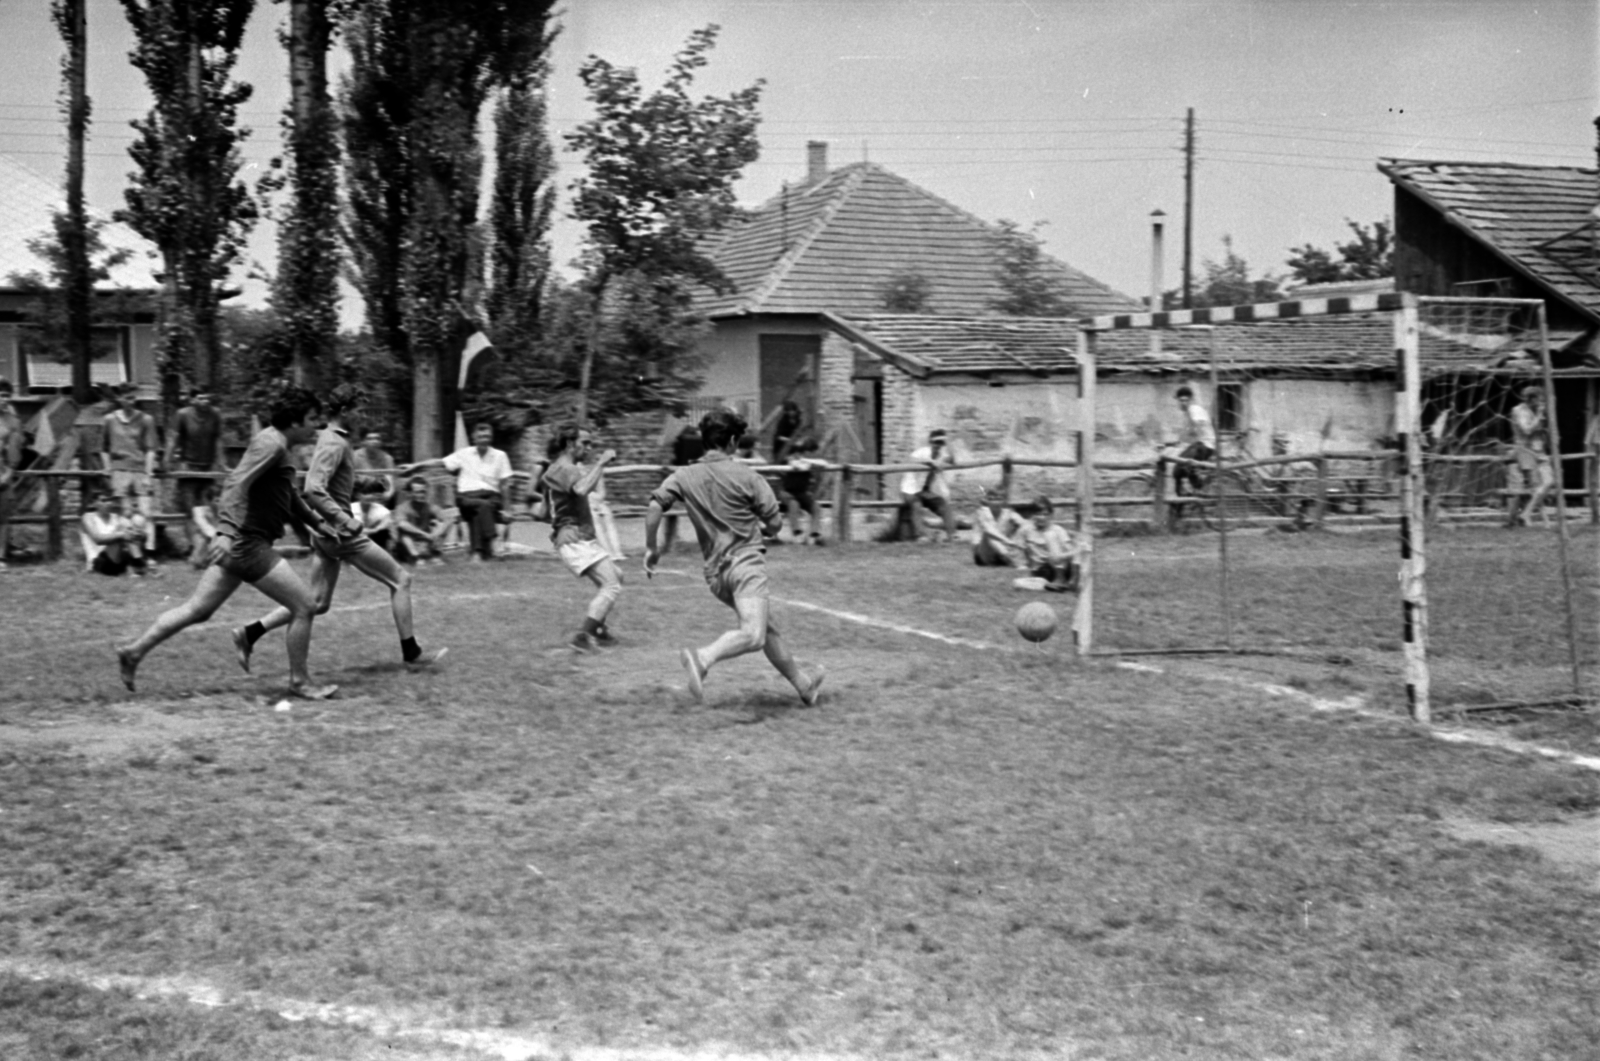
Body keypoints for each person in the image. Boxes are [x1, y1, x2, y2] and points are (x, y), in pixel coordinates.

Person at [115, 385, 339, 699]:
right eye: (312, 419)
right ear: (293, 420)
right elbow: (236, 483)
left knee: (197, 609)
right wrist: (225, 531)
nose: (317, 426)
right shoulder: (271, 444)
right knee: (304, 606)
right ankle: (300, 682)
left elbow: (288, 496)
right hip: (248, 544)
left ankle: (134, 652)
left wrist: (317, 524)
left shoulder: (280, 445)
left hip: (243, 545)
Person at [232, 383, 443, 673]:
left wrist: (368, 484)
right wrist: (345, 521)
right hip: (341, 533)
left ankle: (249, 633)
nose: (363, 417)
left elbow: (335, 483)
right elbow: (314, 489)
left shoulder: (336, 440)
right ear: (344, 411)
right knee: (401, 580)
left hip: (327, 533)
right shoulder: (334, 442)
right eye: (359, 410)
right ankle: (412, 653)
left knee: (316, 602)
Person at [644, 408, 825, 707]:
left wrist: (652, 548)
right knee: (754, 635)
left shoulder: (684, 475)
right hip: (745, 565)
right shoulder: (748, 476)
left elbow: (654, 507)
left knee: (768, 629)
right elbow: (776, 524)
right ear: (731, 442)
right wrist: (765, 524)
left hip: (716, 576)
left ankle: (804, 686)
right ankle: (702, 658)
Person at [541, 424, 624, 652]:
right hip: (575, 538)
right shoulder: (565, 469)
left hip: (576, 537)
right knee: (611, 586)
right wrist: (601, 463)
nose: (589, 447)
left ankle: (597, 630)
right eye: (585, 443)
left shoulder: (556, 470)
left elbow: (541, 512)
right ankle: (584, 636)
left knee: (616, 575)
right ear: (569, 444)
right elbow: (581, 489)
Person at [403, 423, 514, 562]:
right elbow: (440, 463)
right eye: (480, 436)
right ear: (474, 438)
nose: (484, 439)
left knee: (480, 509)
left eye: (487, 436)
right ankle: (493, 540)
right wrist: (415, 466)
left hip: (491, 497)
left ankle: (477, 553)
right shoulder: (464, 454)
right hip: (467, 497)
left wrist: (508, 510)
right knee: (482, 506)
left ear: (491, 437)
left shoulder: (500, 456)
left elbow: (505, 484)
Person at [165, 387, 228, 566]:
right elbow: (173, 438)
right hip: (188, 466)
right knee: (190, 510)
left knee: (207, 508)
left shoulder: (215, 415)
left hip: (207, 467)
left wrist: (222, 462)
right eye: (201, 398)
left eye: (208, 398)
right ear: (192, 399)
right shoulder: (182, 415)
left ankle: (207, 548)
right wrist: (167, 460)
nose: (205, 401)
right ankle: (194, 549)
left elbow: (218, 439)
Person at [102, 382, 159, 556]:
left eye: (134, 397)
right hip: (119, 470)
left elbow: (150, 449)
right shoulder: (110, 420)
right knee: (125, 513)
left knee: (146, 513)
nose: (132, 401)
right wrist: (108, 469)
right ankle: (132, 555)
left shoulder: (146, 420)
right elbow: (104, 448)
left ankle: (150, 553)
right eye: (128, 398)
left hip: (140, 470)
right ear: (119, 399)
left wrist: (148, 474)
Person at [1506, 383, 1554, 528]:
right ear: (1531, 399)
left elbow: (1541, 430)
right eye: (1539, 399)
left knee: (1548, 482)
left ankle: (1526, 513)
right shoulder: (1519, 411)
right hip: (1525, 451)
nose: (1541, 402)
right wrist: (1539, 415)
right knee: (1536, 486)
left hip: (1539, 450)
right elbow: (1526, 430)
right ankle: (1543, 520)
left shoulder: (1535, 411)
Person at [1015, 495, 1084, 593]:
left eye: (1045, 514)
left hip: (1060, 567)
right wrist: (1023, 567)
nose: (1041, 518)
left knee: (1050, 535)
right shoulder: (1025, 530)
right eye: (1038, 514)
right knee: (1017, 583)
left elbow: (1072, 552)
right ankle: (1056, 586)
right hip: (1041, 570)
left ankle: (1061, 579)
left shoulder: (1057, 530)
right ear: (1032, 515)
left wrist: (1060, 557)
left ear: (1051, 515)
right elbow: (1018, 551)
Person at [897, 427, 955, 542]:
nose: (938, 445)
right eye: (935, 442)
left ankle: (951, 536)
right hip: (910, 490)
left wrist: (948, 442)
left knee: (944, 505)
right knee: (916, 504)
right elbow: (912, 460)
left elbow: (952, 459)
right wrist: (930, 462)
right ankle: (922, 535)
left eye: (941, 442)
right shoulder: (921, 452)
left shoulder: (941, 454)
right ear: (930, 442)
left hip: (924, 490)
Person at [659, 421, 705, 553]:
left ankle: (670, 543)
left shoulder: (680, 441)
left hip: (680, 482)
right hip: (682, 483)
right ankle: (670, 543)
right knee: (672, 512)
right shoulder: (693, 441)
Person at [80, 491, 149, 576]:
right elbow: (98, 539)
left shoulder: (116, 517)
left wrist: (139, 534)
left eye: (110, 500)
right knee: (123, 530)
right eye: (103, 500)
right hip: (98, 561)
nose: (108, 503)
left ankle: (138, 566)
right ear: (94, 503)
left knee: (135, 521)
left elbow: (143, 538)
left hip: (118, 560)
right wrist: (122, 535)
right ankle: (141, 565)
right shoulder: (88, 517)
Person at [392, 475, 448, 565]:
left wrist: (436, 533)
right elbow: (402, 524)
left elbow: (446, 519)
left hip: (425, 540)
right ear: (410, 493)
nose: (421, 495)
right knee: (404, 534)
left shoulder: (430, 507)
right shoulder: (402, 508)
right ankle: (416, 557)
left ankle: (435, 553)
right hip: (407, 543)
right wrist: (424, 534)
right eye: (417, 492)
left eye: (423, 492)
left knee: (440, 525)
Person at [780, 435, 825, 544]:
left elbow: (823, 464)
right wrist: (803, 463)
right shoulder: (791, 458)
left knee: (816, 507)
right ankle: (797, 533)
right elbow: (791, 463)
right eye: (811, 452)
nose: (814, 454)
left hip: (801, 492)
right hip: (787, 492)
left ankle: (814, 535)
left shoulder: (811, 461)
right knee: (794, 504)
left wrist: (808, 463)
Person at [1173, 385, 1216, 499]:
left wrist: (1192, 433)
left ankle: (1199, 488)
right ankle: (1181, 497)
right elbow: (1186, 433)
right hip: (1200, 444)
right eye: (1180, 401)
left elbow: (1198, 425)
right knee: (1177, 469)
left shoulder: (1194, 409)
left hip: (1206, 445)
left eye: (1185, 400)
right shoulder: (1188, 413)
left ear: (1190, 400)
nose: (1183, 403)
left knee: (1185, 463)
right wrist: (1173, 443)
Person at [0, 378, 23, 570]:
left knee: (2, 519)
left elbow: (14, 453)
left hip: (2, 474)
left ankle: (0, 557)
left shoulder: (13, 422)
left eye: (7, 395)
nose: (4, 399)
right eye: (1, 395)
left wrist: (8, 475)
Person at [972, 487, 1026, 567]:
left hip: (1001, 551)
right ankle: (1015, 562)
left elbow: (1026, 524)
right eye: (991, 499)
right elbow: (988, 529)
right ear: (987, 501)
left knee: (1023, 529)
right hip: (984, 554)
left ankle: (1020, 558)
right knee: (990, 536)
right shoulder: (981, 513)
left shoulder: (1009, 513)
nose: (995, 503)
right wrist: (1007, 541)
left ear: (1003, 501)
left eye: (998, 499)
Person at [352, 430, 398, 504]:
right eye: (370, 439)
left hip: (380, 497)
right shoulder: (354, 457)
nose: (374, 441)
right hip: (358, 497)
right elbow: (348, 481)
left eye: (377, 438)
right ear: (363, 442)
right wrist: (360, 497)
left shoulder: (387, 458)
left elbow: (391, 481)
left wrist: (388, 495)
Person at [772, 399, 805, 463]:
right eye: (789, 411)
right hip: (780, 445)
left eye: (792, 411)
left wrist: (798, 440)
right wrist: (790, 441)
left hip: (792, 443)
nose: (791, 413)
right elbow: (778, 436)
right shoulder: (783, 421)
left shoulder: (798, 418)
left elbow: (799, 431)